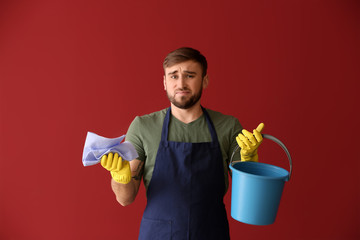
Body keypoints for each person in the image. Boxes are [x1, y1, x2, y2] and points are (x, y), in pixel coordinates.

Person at [100, 47, 264, 239]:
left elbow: (251, 201)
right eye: (173, 76)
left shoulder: (228, 126)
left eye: (189, 75)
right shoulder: (143, 126)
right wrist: (120, 177)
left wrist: (249, 162)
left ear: (205, 80)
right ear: (164, 82)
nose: (181, 83)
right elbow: (125, 199)